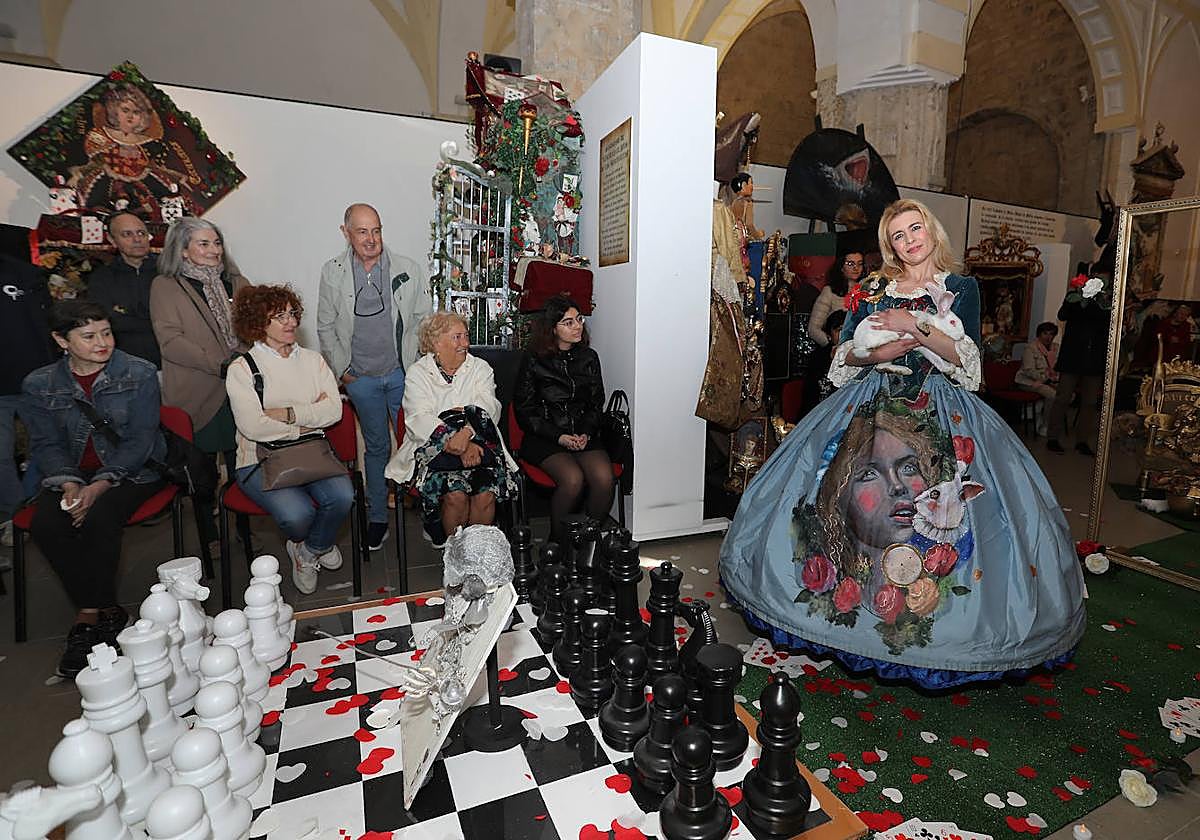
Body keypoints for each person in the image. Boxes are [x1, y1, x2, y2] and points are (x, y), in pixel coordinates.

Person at [720, 198, 1085, 689]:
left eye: (915, 229)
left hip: (941, 406)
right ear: (888, 245)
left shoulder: (961, 288)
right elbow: (847, 354)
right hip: (870, 407)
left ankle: (935, 622)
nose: (910, 240)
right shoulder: (874, 288)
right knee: (845, 498)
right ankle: (847, 606)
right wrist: (885, 349)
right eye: (898, 235)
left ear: (931, 230)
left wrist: (913, 325)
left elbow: (965, 358)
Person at [22, 300, 166, 677]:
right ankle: (106, 610)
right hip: (70, 472)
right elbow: (46, 445)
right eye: (88, 336)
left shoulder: (139, 372)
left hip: (131, 471)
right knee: (46, 524)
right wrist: (70, 482)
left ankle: (89, 617)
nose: (102, 343)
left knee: (100, 517)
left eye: (106, 333)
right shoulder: (39, 384)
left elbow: (140, 442)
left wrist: (100, 485)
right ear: (61, 340)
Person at [318, 203, 433, 552]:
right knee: (377, 448)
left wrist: (415, 369)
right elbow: (325, 326)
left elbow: (422, 320)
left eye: (376, 230)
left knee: (419, 442)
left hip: (402, 375)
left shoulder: (407, 269)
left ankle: (429, 514)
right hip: (361, 380)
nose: (371, 239)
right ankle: (379, 518)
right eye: (362, 231)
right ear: (346, 233)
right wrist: (343, 371)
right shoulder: (333, 272)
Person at [226, 285, 354, 595]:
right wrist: (307, 421)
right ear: (259, 322)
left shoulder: (313, 360)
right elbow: (254, 427)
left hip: (312, 454)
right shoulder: (243, 369)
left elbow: (334, 411)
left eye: (293, 313)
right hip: (259, 459)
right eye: (280, 316)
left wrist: (287, 413)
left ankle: (310, 550)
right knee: (298, 515)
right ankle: (312, 542)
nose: (292, 322)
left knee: (343, 496)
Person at [150, 217, 249, 547]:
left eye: (216, 243)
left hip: (238, 389)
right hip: (196, 392)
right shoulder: (165, 286)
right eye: (203, 243)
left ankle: (245, 532)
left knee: (243, 466)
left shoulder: (235, 281)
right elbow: (171, 341)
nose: (213, 250)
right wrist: (220, 364)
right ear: (182, 249)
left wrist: (243, 360)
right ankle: (209, 538)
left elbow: (255, 327)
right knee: (202, 474)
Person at [384, 312, 515, 547]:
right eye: (457, 337)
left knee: (485, 495)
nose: (465, 343)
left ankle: (476, 557)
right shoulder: (418, 373)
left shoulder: (480, 368)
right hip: (434, 451)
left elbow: (489, 407)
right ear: (436, 343)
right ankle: (456, 555)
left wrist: (466, 434)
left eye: (466, 336)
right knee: (456, 496)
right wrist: (457, 438)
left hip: (478, 445)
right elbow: (419, 418)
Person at [514, 295, 615, 544]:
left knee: (604, 479)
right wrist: (559, 436)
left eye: (579, 319)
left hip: (582, 433)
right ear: (552, 329)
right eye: (568, 322)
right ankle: (557, 545)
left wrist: (586, 432)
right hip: (545, 436)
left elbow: (596, 403)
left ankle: (586, 541)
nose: (577, 326)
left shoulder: (589, 358)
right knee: (572, 479)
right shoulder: (534, 359)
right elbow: (525, 411)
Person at [0, 254, 54, 550]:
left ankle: (35, 503)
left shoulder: (23, 272)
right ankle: (14, 514)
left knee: (48, 445)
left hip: (36, 380)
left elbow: (46, 321)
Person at [87, 212, 160, 367]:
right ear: (112, 240)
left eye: (141, 233)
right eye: (127, 234)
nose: (137, 239)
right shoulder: (101, 278)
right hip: (124, 364)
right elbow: (107, 322)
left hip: (173, 361)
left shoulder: (169, 271)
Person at [1046, 280, 1110, 456]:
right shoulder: (1074, 298)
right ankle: (1052, 437)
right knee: (1062, 398)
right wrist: (1078, 297)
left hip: (1094, 359)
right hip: (1072, 358)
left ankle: (1082, 441)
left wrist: (1100, 302)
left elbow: (1107, 323)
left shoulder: (1105, 300)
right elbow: (1062, 315)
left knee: (1089, 403)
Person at [804, 251, 865, 413]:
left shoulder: (868, 293)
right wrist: (833, 347)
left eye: (859, 264)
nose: (856, 268)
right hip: (831, 356)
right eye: (850, 264)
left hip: (861, 354)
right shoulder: (830, 292)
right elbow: (813, 329)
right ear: (841, 267)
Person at [1015, 322, 1060, 437]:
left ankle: (1042, 411)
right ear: (1039, 334)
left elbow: (1059, 367)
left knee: (1066, 394)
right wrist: (1046, 378)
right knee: (1052, 395)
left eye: (1051, 334)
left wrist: (1055, 378)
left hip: (1049, 380)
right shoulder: (1030, 348)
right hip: (1028, 381)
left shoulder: (1056, 348)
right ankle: (1045, 425)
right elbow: (1028, 370)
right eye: (1045, 333)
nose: (1048, 337)